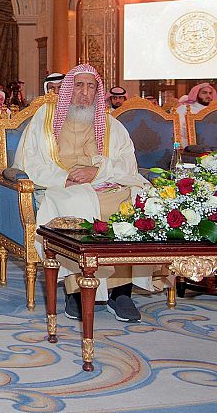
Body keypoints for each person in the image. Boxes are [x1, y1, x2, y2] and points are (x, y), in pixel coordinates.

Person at [16, 64, 153, 322]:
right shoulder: (45, 117)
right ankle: (76, 290)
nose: (84, 92)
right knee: (76, 204)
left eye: (91, 87)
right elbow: (29, 160)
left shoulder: (110, 124)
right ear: (68, 88)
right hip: (60, 184)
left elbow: (127, 163)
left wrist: (97, 171)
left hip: (101, 181)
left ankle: (121, 291)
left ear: (98, 92)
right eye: (78, 85)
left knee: (132, 201)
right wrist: (64, 178)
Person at [177, 83, 213, 147]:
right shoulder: (184, 108)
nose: (208, 96)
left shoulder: (214, 110)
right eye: (204, 93)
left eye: (210, 93)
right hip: (189, 145)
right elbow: (178, 129)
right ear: (196, 94)